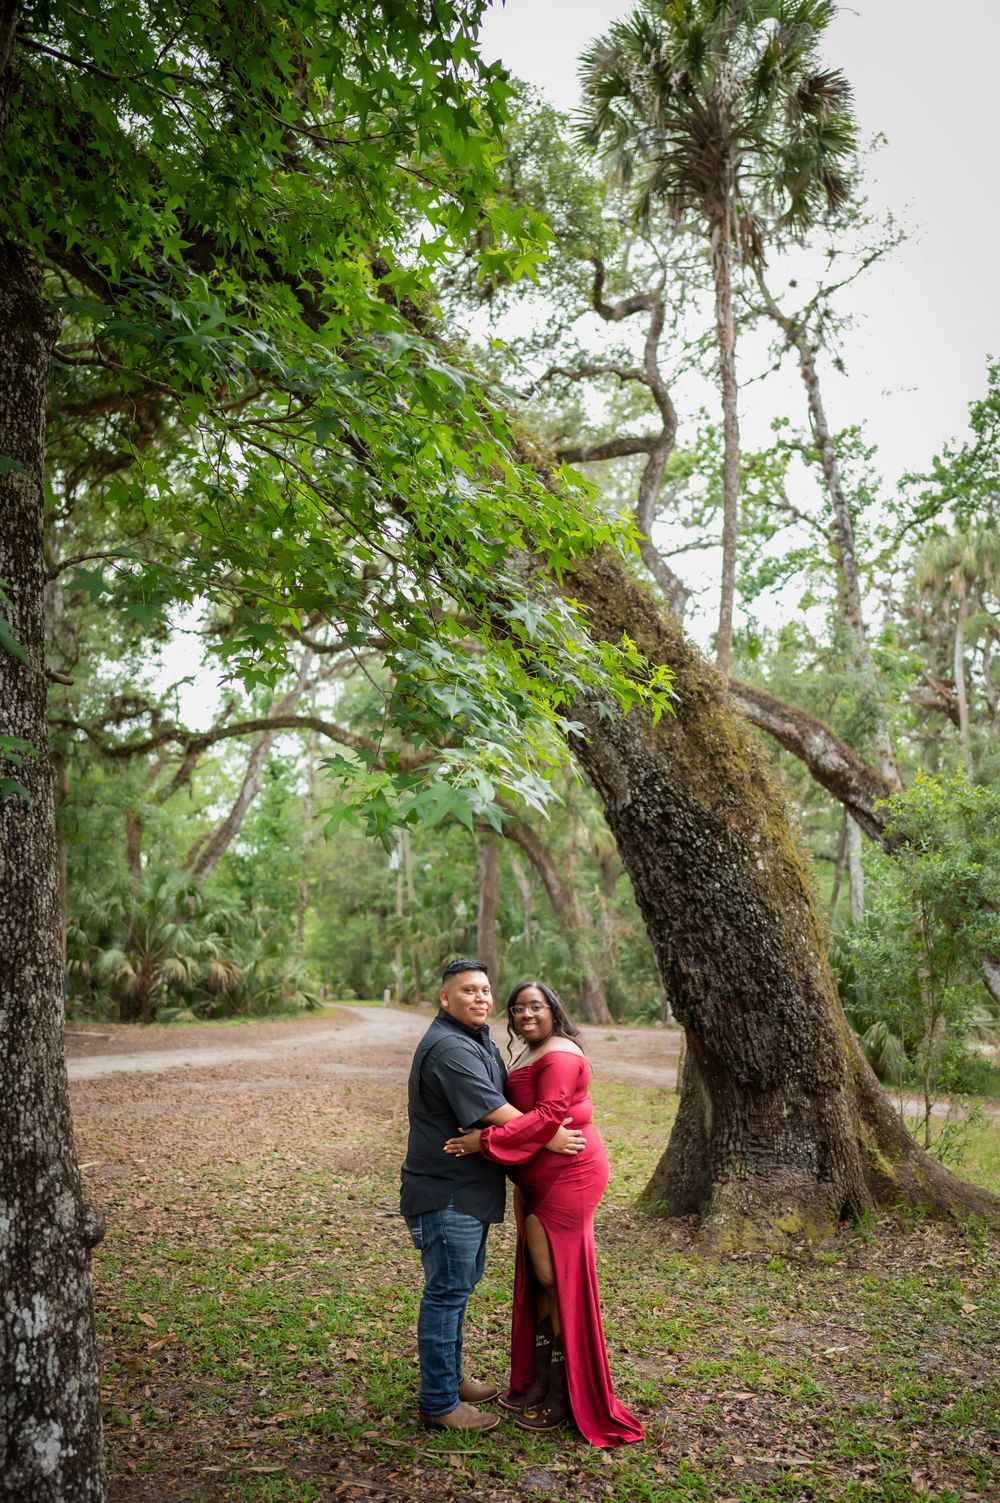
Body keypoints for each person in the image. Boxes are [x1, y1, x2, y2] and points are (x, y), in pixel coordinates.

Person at [444, 979, 644, 1448]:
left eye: (535, 1007)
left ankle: (562, 1391)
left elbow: (552, 1112)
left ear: (554, 1008)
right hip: (538, 1179)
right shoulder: (531, 1051)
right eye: (517, 1010)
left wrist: (484, 1142)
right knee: (543, 1280)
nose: (525, 1016)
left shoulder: (559, 1054)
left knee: (556, 1280)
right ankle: (538, 1380)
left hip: (567, 1176)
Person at [400, 959, 585, 1433]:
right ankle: (440, 1402)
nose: (480, 998)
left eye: (485, 990)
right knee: (446, 1294)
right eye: (468, 991)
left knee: (457, 1291)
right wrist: (548, 1135)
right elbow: (497, 1112)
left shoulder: (473, 1038)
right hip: (448, 1194)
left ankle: (452, 1379)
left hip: (468, 1192)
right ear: (445, 999)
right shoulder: (449, 1049)